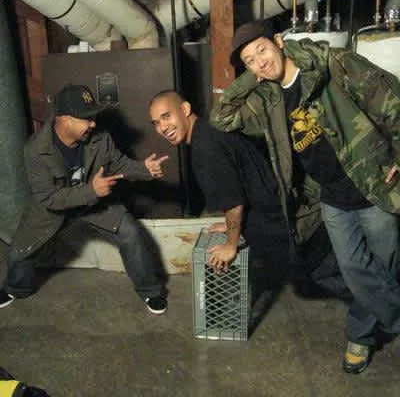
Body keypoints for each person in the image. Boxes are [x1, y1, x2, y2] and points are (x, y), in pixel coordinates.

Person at [210, 20, 400, 374]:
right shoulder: (266, 98)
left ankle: (359, 335)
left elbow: (392, 99)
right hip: (331, 197)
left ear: (279, 41)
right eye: (250, 60)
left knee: (384, 267)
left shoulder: (332, 62)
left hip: (373, 184)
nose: (260, 61)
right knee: (355, 271)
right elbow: (221, 117)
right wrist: (254, 75)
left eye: (262, 50)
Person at [149, 90, 349, 306]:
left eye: (166, 116)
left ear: (185, 109)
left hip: (287, 225)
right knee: (334, 273)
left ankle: (374, 307)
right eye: (156, 123)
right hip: (283, 215)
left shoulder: (205, 148)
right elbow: (240, 184)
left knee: (338, 277)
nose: (162, 127)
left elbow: (234, 204)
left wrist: (230, 245)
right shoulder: (209, 129)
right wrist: (230, 225)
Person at [0, 84, 169, 315]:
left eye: (93, 117)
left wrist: (144, 169)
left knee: (131, 232)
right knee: (19, 251)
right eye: (87, 119)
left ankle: (151, 291)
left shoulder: (100, 138)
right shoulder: (35, 150)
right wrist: (92, 190)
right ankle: (16, 289)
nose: (93, 124)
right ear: (65, 119)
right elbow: (49, 198)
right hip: (55, 208)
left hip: (94, 205)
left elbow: (119, 164)